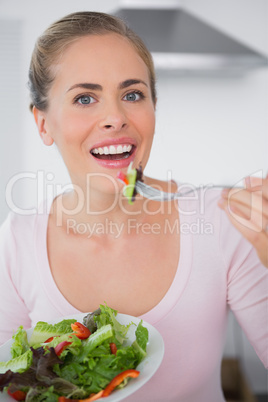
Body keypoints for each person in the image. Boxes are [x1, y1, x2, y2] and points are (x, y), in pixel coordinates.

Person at [0, 11, 267, 402]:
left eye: (132, 94)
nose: (115, 117)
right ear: (44, 124)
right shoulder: (19, 240)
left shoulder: (221, 222)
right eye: (85, 98)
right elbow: (9, 382)